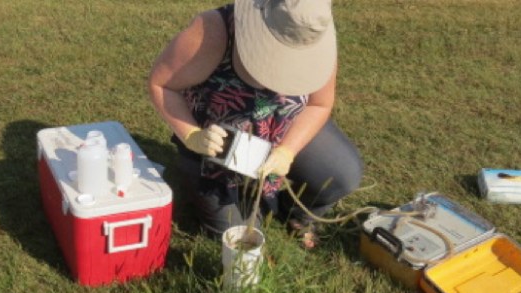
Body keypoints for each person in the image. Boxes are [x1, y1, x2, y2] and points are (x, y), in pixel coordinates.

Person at [148, 0, 363, 249]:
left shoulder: (311, 30)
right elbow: (161, 84)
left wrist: (287, 150)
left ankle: (294, 212)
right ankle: (215, 190)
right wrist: (191, 135)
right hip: (216, 147)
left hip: (283, 126)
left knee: (341, 174)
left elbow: (319, 104)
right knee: (240, 240)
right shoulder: (213, 30)